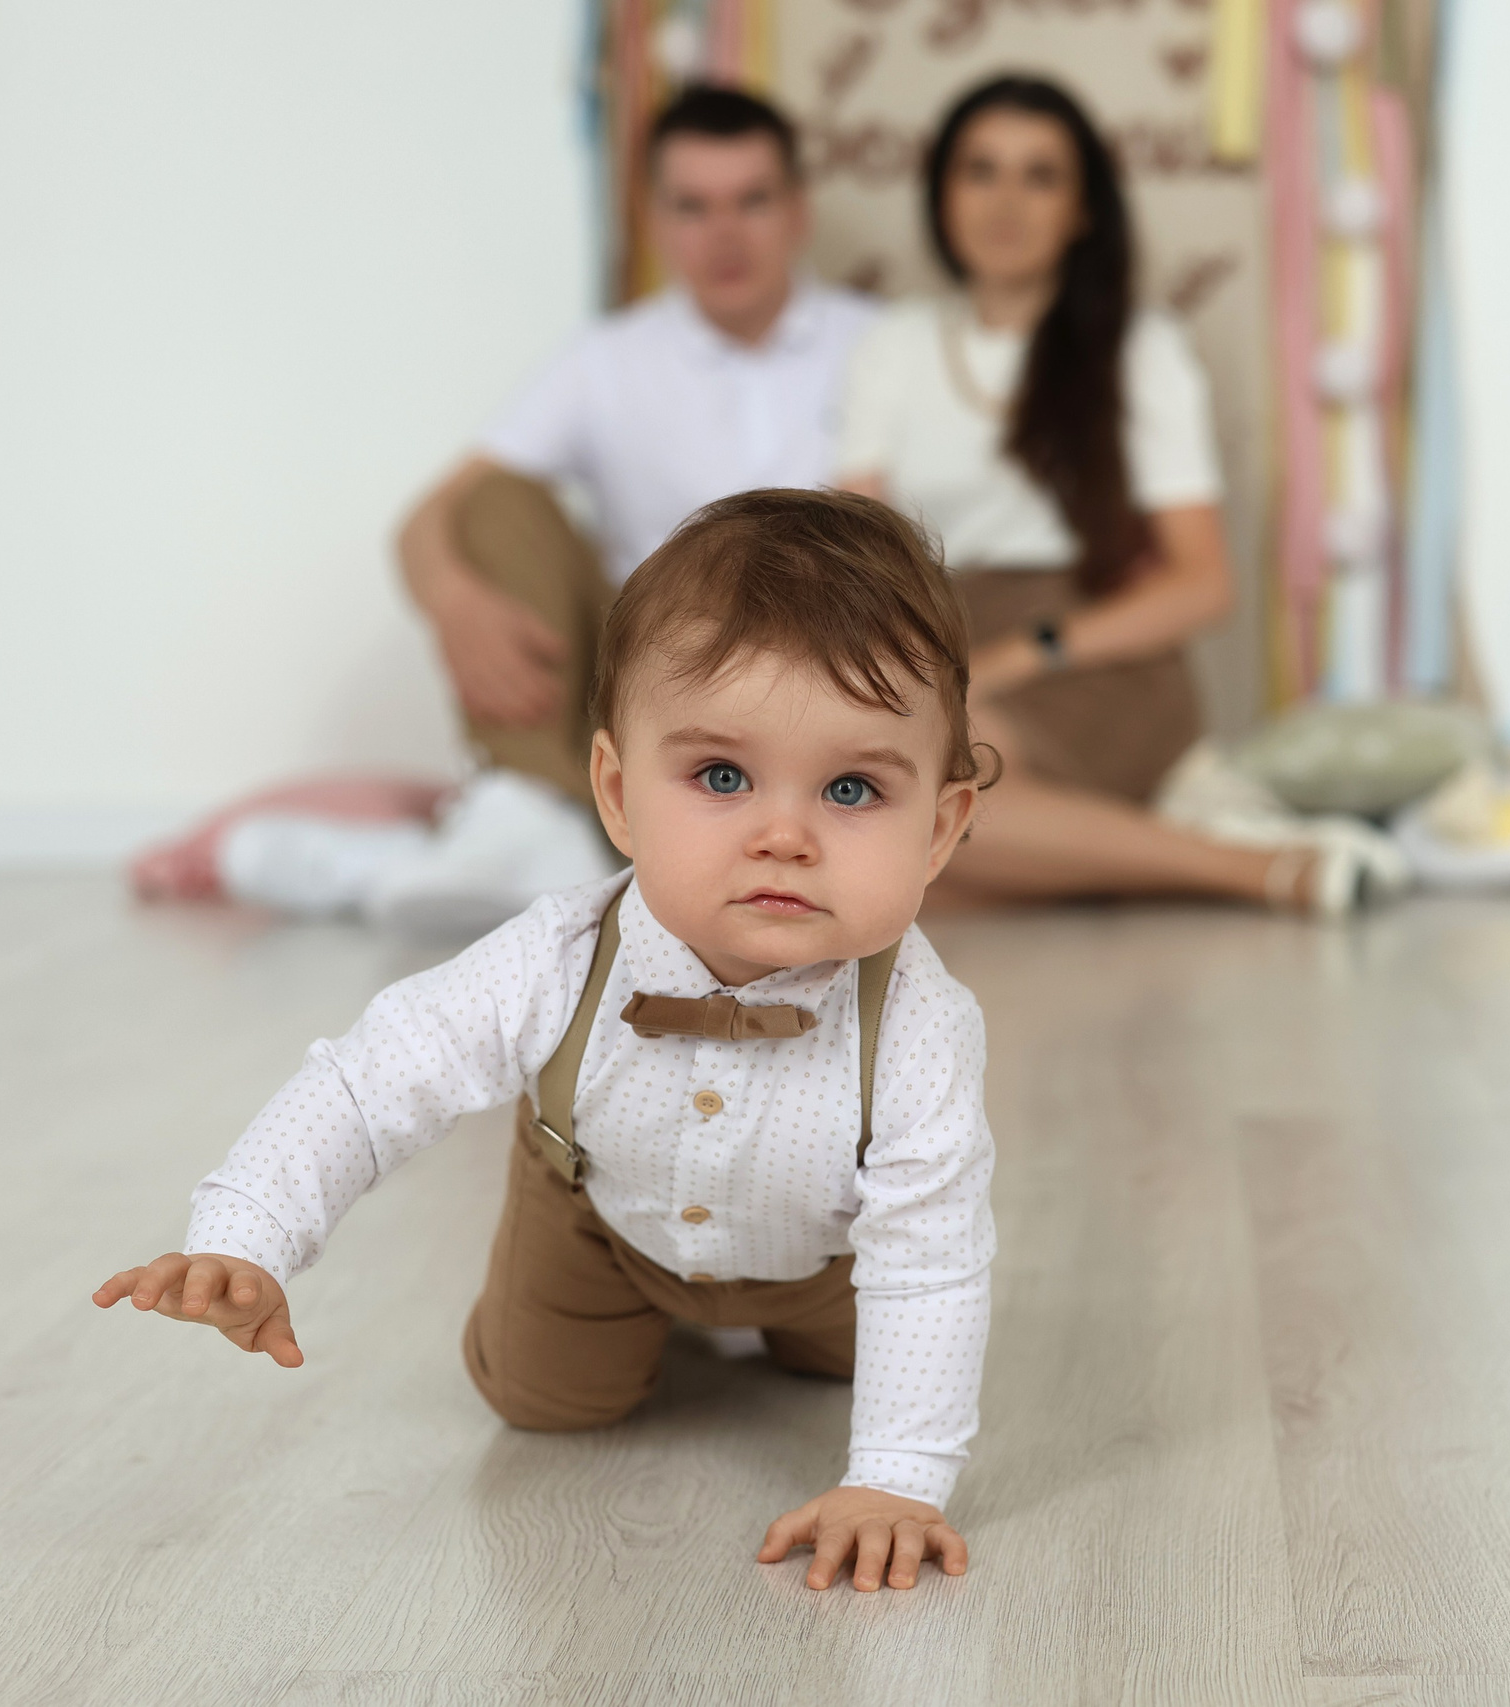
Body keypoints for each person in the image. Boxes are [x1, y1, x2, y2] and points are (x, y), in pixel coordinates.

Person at [95, 490, 995, 1595]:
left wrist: (896, 1478)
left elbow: (930, 1256)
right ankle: (627, 1326)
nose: (783, 834)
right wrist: (246, 1236)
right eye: (721, 777)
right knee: (541, 1401)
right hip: (599, 1224)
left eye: (852, 788)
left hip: (830, 1256)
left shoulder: (919, 1027)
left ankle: (795, 1337)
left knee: (869, 1360)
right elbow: (371, 1082)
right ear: (617, 794)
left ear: (939, 829)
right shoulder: (555, 958)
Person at [837, 75, 1395, 914]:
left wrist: (1020, 654)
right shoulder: (895, 345)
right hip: (937, 643)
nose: (1005, 202)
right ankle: (1161, 862)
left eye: (1040, 176)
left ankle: (1260, 871)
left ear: (1084, 211)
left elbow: (1202, 584)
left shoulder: (1140, 349)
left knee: (932, 798)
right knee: (889, 828)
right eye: (980, 171)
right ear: (942, 194)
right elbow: (858, 552)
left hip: (1091, 655)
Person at [396, 84, 876, 810]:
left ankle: (554, 826)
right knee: (495, 503)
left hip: (828, 666)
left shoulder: (883, 345)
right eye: (692, 206)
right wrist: (452, 601)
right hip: (651, 670)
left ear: (797, 211)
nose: (724, 234)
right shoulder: (606, 358)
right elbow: (434, 513)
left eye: (752, 201)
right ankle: (528, 809)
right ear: (654, 221)